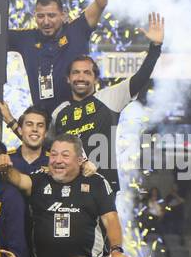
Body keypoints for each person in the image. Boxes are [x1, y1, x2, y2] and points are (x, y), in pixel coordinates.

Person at [0, 134, 124, 257]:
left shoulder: (96, 182)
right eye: (54, 154)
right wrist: (6, 168)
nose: (58, 160)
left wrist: (116, 250)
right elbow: (19, 180)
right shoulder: (40, 179)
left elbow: (111, 218)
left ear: (80, 160)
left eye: (65, 155)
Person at [49, 13, 164, 190]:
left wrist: (155, 47)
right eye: (76, 72)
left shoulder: (109, 97)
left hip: (102, 190)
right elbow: (48, 147)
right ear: (68, 78)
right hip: (68, 190)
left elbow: (140, 78)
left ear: (95, 79)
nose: (81, 77)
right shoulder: (59, 112)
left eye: (87, 73)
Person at [5, 0, 108, 113]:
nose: (46, 21)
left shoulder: (76, 31)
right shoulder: (27, 39)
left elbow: (101, 3)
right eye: (41, 16)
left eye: (52, 16)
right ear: (35, 16)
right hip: (44, 123)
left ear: (63, 15)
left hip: (79, 117)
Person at [0, 103, 49, 175]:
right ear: (20, 130)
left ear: (46, 133)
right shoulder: (6, 161)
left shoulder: (54, 161)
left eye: (40, 125)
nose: (35, 129)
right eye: (29, 124)